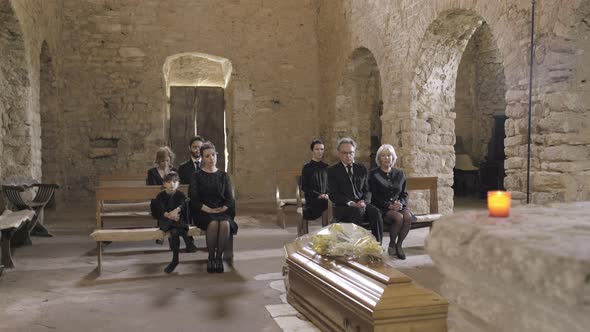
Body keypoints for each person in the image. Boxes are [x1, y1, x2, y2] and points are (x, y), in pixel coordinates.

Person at [189, 142, 236, 273]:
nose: (211, 158)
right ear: (202, 158)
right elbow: (194, 199)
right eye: (207, 156)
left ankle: (218, 257)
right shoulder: (196, 176)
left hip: (221, 210)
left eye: (213, 155)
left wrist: (224, 208)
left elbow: (229, 198)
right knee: (214, 223)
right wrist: (208, 209)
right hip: (203, 211)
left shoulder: (223, 175)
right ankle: (210, 257)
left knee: (225, 224)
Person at [327, 137, 383, 243]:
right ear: (339, 153)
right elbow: (333, 194)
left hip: (362, 204)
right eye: (344, 153)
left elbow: (367, 190)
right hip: (344, 206)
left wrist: (365, 202)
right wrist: (351, 203)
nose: (348, 155)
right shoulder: (332, 171)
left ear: (354, 152)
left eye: (351, 152)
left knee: (375, 212)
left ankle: (377, 245)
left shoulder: (361, 168)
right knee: (357, 211)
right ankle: (355, 246)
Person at [368, 144, 415, 260]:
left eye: (389, 155)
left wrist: (401, 204)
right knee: (399, 217)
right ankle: (392, 243)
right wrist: (389, 205)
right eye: (383, 156)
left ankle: (399, 245)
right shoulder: (374, 174)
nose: (386, 158)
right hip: (381, 207)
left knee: (407, 216)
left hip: (398, 206)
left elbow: (404, 194)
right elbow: (373, 196)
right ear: (379, 158)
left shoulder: (400, 174)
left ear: (393, 157)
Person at [150, 171, 192, 273]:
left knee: (174, 231)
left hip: (177, 220)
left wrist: (176, 211)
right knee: (176, 226)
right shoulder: (161, 195)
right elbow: (159, 209)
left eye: (174, 181)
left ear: (178, 183)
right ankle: (188, 240)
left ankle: (175, 259)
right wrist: (169, 215)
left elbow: (183, 204)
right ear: (164, 184)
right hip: (166, 220)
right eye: (169, 182)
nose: (172, 184)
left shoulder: (180, 194)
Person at [300, 139, 329, 222]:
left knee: (332, 202)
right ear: (312, 151)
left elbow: (330, 185)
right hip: (312, 198)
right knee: (326, 203)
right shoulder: (307, 167)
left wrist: (327, 194)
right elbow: (304, 187)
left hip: (326, 198)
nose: (320, 151)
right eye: (317, 149)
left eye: (322, 149)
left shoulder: (327, 167)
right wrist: (318, 195)